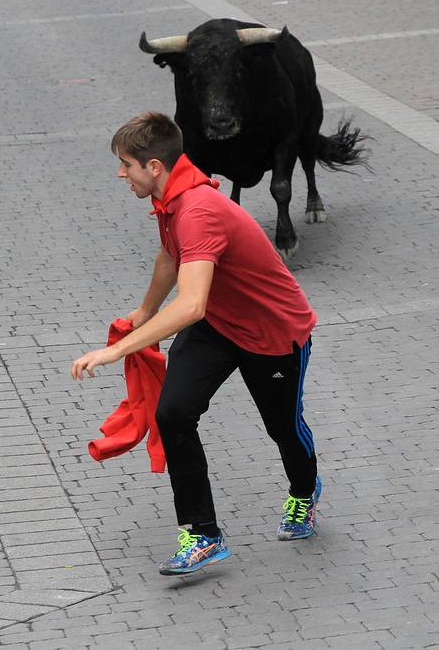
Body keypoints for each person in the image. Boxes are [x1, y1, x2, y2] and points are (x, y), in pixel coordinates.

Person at [71, 113, 322, 576]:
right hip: (219, 325)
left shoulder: (198, 210)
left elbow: (190, 307)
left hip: (272, 333)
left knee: (283, 428)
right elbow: (171, 255)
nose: (120, 174)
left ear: (154, 166)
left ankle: (304, 493)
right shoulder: (171, 199)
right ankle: (203, 534)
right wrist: (144, 312)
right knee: (173, 414)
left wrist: (116, 352)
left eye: (126, 165)